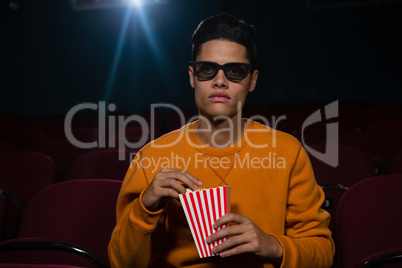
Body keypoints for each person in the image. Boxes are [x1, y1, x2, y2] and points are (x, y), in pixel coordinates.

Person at [108, 13, 335, 267]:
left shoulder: (287, 151)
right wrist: (145, 208)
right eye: (208, 69)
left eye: (235, 71)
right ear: (192, 76)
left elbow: (323, 253)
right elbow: (121, 263)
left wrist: (272, 245)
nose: (219, 81)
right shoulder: (152, 157)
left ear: (253, 81)